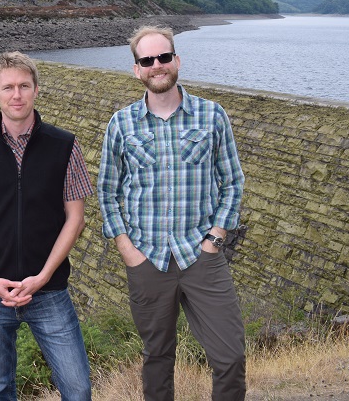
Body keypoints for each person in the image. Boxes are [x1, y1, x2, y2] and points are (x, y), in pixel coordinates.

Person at [97, 26, 246, 401]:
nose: (157, 66)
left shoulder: (212, 116)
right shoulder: (122, 123)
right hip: (147, 259)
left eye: (164, 57)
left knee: (229, 357)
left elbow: (232, 183)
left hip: (202, 257)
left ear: (177, 60)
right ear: (137, 70)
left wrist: (215, 239)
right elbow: (107, 191)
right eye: (147, 60)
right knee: (157, 359)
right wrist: (128, 251)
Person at [0, 51, 93, 401]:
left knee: (77, 390)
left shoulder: (65, 145)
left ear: (36, 91)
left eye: (24, 86)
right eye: (9, 87)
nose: (17, 95)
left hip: (48, 292)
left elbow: (76, 218)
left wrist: (43, 276)